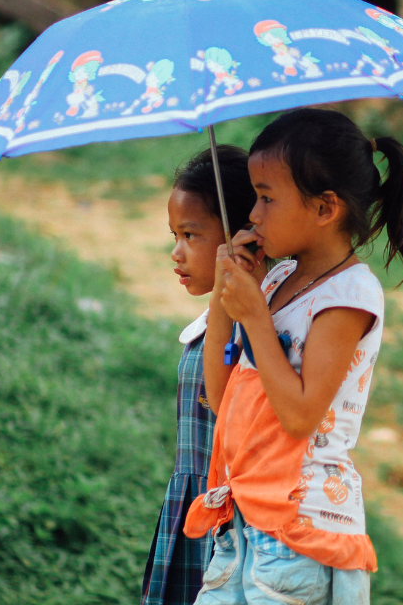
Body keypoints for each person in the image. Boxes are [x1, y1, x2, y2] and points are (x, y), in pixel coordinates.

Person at [183, 108, 403, 605]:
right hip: (244, 517)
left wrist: (257, 320)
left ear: (325, 208)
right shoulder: (273, 280)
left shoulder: (350, 294)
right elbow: (223, 400)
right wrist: (226, 295)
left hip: (298, 531)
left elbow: (300, 414)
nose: (253, 214)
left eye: (267, 198)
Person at [141, 146, 260, 605]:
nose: (176, 252)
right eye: (175, 234)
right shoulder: (219, 318)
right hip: (191, 503)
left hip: (230, 517)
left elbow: (227, 401)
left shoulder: (257, 319)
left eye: (191, 234)